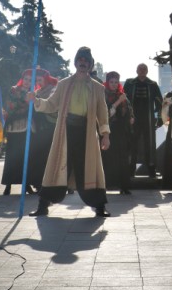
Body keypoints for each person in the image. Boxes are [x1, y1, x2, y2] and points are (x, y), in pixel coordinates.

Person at [27, 46, 111, 218]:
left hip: (86, 134)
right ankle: (43, 206)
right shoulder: (64, 84)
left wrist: (105, 135)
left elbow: (103, 113)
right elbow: (51, 105)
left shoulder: (97, 88)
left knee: (88, 168)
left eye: (86, 61)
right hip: (65, 132)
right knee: (57, 166)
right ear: (75, 63)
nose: (83, 64)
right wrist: (36, 100)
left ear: (90, 65)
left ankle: (100, 207)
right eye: (80, 60)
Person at [124, 63, 163, 178]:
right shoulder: (129, 83)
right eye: (140, 69)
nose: (142, 71)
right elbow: (124, 100)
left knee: (149, 144)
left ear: (147, 71)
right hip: (133, 119)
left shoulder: (152, 84)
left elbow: (159, 102)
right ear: (136, 70)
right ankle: (130, 169)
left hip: (148, 119)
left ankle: (151, 169)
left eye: (144, 69)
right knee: (132, 143)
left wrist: (159, 117)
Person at [102, 71, 133, 194]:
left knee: (123, 159)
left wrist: (131, 116)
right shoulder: (103, 95)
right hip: (108, 132)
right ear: (107, 82)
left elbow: (130, 110)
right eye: (111, 82)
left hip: (121, 132)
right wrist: (118, 102)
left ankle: (124, 186)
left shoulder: (122, 96)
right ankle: (106, 185)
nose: (114, 85)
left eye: (116, 82)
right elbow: (106, 114)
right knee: (107, 158)